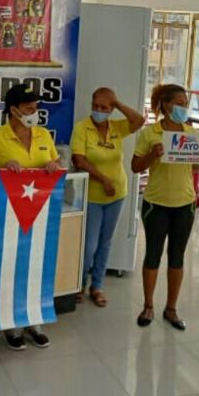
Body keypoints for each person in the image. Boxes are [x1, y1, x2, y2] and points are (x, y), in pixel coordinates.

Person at [0, 83, 61, 350]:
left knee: (35, 267)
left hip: (39, 215)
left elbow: (55, 163)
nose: (34, 112)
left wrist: (51, 166)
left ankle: (33, 321)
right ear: (13, 110)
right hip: (4, 216)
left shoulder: (43, 135)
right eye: (29, 108)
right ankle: (11, 325)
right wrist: (0, 169)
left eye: (36, 108)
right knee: (8, 269)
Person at [132, 84, 199, 331]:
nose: (183, 107)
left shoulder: (190, 133)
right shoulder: (150, 133)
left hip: (184, 203)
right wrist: (152, 155)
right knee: (152, 254)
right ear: (164, 105)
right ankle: (148, 305)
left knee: (177, 256)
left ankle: (171, 308)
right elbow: (136, 167)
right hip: (156, 203)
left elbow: (194, 170)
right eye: (179, 103)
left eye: (185, 103)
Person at [70, 88, 144, 306]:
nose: (99, 111)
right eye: (96, 106)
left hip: (117, 194)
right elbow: (79, 160)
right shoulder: (82, 128)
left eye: (104, 108)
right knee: (89, 246)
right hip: (93, 196)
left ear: (111, 110)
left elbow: (139, 121)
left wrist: (118, 103)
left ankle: (97, 286)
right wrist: (103, 179)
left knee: (105, 243)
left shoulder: (116, 127)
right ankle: (79, 285)